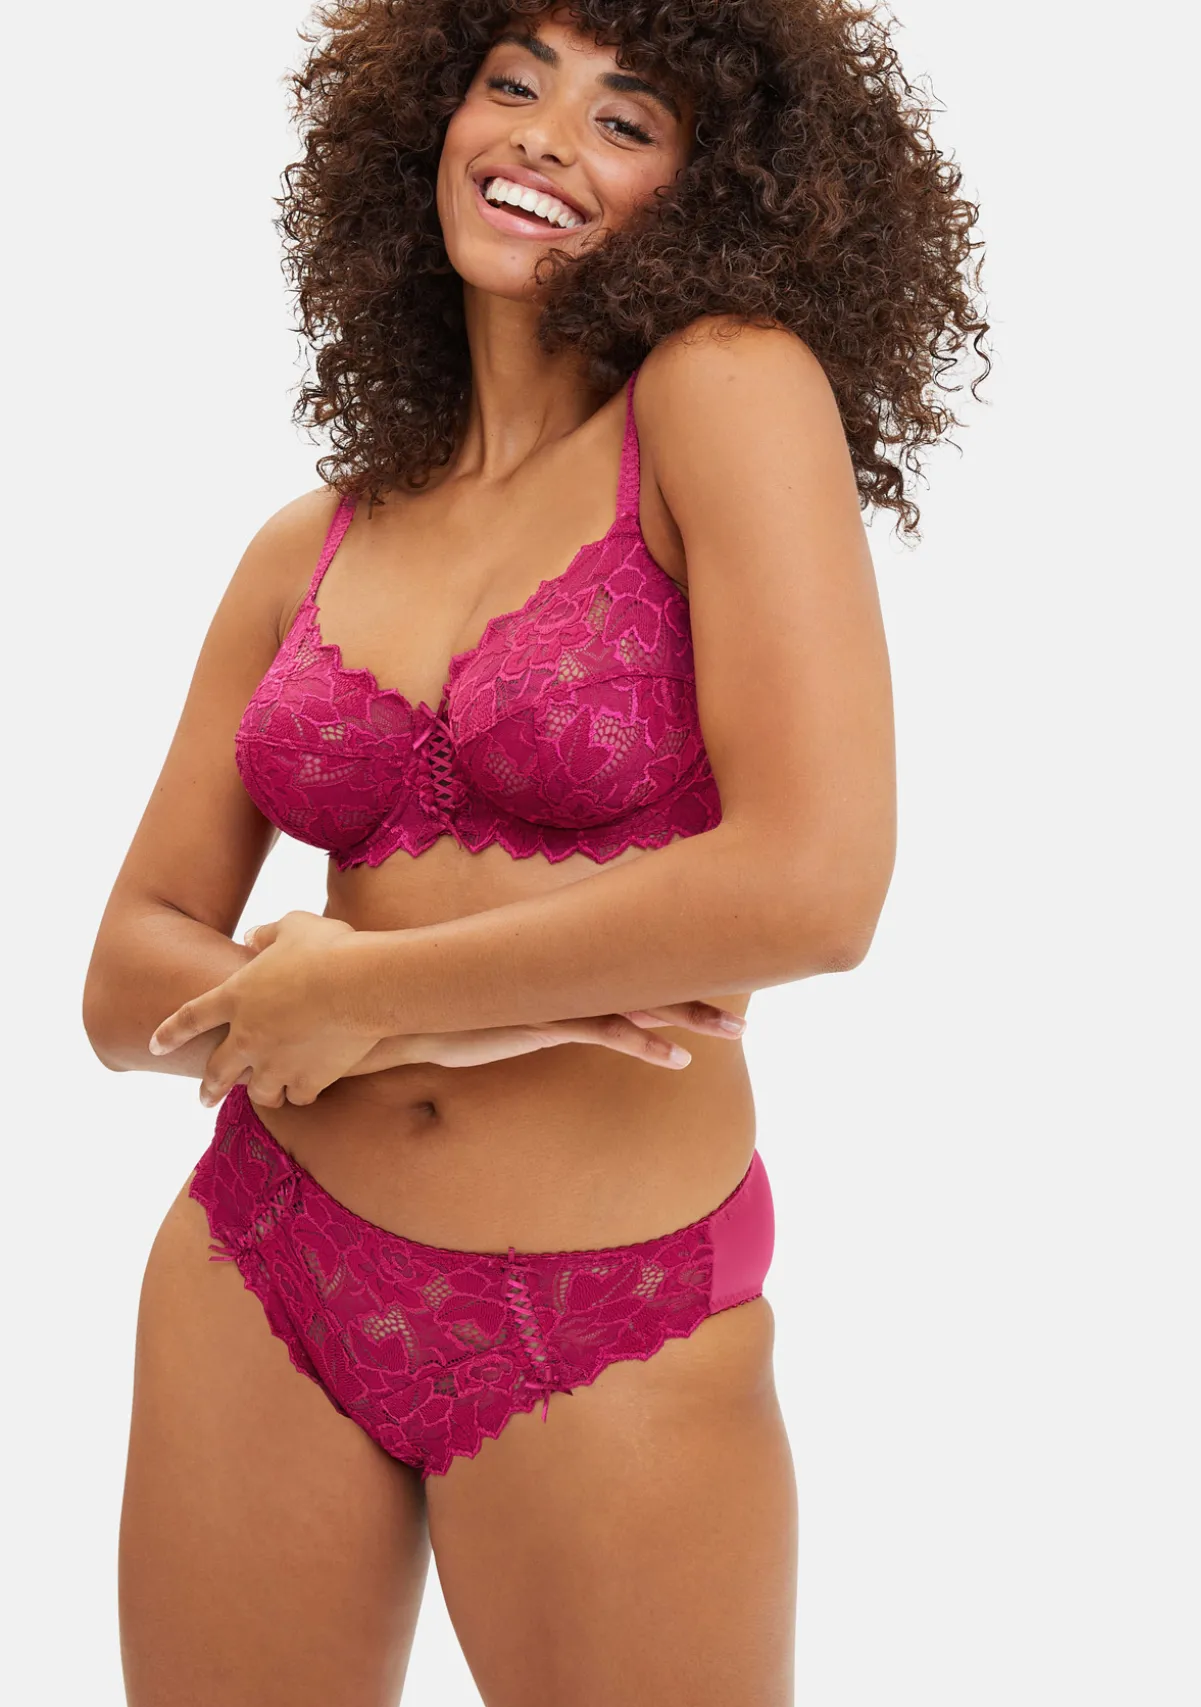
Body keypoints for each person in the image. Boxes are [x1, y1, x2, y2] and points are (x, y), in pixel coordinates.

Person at [83, 2, 987, 1701]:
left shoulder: (724, 393)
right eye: (512, 85)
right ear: (424, 125)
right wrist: (397, 1018)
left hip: (604, 1313)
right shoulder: (311, 538)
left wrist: (367, 991)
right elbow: (125, 976)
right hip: (263, 1261)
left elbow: (815, 883)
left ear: (721, 195)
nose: (544, 138)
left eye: (625, 120)